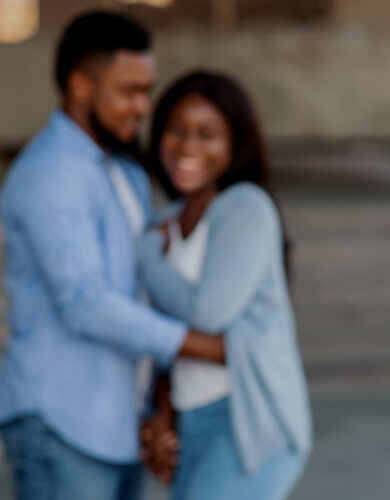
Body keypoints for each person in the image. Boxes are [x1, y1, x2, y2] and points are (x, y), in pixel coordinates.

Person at [0, 12, 221, 499]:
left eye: (147, 90)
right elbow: (85, 304)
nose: (143, 106)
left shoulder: (123, 171)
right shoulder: (51, 173)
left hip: (116, 423)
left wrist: (158, 402)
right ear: (80, 86)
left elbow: (138, 288)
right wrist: (209, 347)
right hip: (62, 423)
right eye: (128, 91)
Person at [135, 70, 312, 500]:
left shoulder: (245, 207)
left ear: (235, 143)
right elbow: (159, 338)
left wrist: (144, 258)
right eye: (176, 130)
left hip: (245, 419)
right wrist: (162, 412)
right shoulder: (163, 224)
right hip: (187, 419)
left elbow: (206, 314)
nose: (188, 146)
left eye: (207, 133)